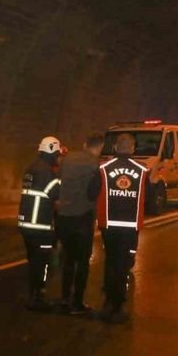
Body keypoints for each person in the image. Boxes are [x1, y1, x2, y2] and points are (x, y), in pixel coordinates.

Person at [96, 133, 147, 324]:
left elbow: (93, 191)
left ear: (116, 147)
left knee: (110, 261)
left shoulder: (103, 168)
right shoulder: (142, 170)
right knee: (124, 264)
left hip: (109, 224)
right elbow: (147, 197)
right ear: (133, 148)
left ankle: (108, 303)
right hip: (130, 225)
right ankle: (120, 305)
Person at [55, 132, 104, 315]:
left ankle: (64, 299)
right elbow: (93, 193)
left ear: (84, 144)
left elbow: (58, 182)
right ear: (99, 147)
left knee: (67, 259)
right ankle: (77, 302)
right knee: (82, 262)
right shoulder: (95, 165)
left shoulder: (67, 160)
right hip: (82, 218)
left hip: (64, 217)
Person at [18, 136, 62, 312]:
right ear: (51, 151)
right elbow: (57, 194)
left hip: (26, 224)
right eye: (57, 154)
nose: (57, 157)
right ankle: (37, 297)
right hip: (40, 226)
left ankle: (33, 294)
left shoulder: (31, 168)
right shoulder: (46, 172)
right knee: (41, 262)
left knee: (33, 260)